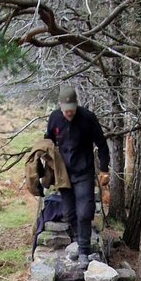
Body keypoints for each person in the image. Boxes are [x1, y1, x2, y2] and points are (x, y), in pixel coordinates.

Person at [45, 83, 110, 264]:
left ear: (76, 105)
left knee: (85, 211)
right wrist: (44, 163)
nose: (69, 113)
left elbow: (102, 144)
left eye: (72, 109)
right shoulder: (55, 118)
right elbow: (48, 140)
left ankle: (83, 250)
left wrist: (104, 169)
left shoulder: (88, 118)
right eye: (66, 110)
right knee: (69, 212)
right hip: (63, 173)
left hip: (84, 172)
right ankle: (76, 242)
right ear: (60, 106)